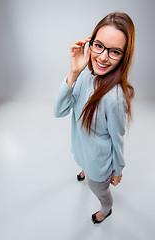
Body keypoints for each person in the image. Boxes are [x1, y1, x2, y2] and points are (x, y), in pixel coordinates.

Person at [54, 12, 135, 224]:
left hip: (98, 164)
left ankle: (106, 209)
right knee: (81, 161)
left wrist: (117, 171)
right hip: (82, 148)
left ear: (124, 56)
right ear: (90, 43)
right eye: (98, 45)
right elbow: (59, 110)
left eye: (115, 51)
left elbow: (117, 139)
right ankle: (83, 167)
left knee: (99, 190)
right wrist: (73, 73)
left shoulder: (114, 99)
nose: (102, 57)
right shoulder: (85, 74)